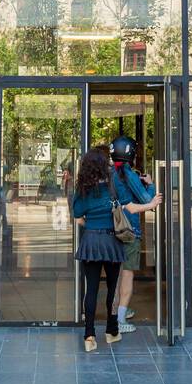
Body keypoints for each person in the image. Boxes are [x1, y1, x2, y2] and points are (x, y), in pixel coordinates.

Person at [71, 147, 123, 351]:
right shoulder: (113, 184)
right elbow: (124, 205)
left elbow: (77, 214)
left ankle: (89, 336)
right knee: (112, 288)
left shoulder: (83, 188)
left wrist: (90, 224)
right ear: (104, 165)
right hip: (112, 241)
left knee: (91, 289)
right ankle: (112, 331)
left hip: (91, 241)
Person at [109, 134, 162, 334]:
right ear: (130, 153)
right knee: (128, 274)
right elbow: (147, 199)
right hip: (129, 230)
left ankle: (116, 311)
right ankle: (120, 318)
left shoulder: (111, 172)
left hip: (112, 227)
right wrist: (150, 183)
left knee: (116, 273)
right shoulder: (128, 174)